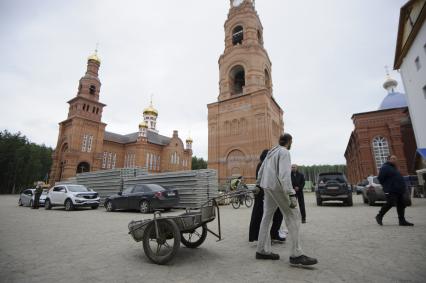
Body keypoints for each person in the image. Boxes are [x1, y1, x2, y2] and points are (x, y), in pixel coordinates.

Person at [255, 133, 317, 266]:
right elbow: (284, 175)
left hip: (267, 187)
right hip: (278, 188)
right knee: (293, 216)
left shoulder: (271, 152)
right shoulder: (284, 152)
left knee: (266, 217)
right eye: (292, 142)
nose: (292, 144)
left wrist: (258, 184)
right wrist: (290, 194)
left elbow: (261, 170)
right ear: (289, 141)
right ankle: (296, 254)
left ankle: (261, 250)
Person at [249, 149, 285, 243]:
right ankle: (268, 235)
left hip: (264, 192)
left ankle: (266, 235)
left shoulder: (262, 164)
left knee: (262, 214)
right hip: (265, 193)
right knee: (266, 215)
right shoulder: (263, 165)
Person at [376, 155, 414, 226]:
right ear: (388, 159)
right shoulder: (385, 167)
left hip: (399, 189)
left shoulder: (394, 168)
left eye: (395, 159)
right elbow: (380, 178)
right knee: (390, 203)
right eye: (393, 159)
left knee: (401, 205)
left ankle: (402, 221)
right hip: (391, 189)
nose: (395, 160)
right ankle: (379, 216)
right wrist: (387, 186)